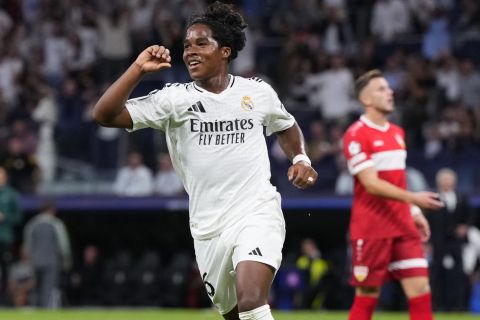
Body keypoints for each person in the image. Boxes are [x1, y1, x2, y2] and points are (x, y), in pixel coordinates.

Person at [92, 2, 318, 319]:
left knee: (253, 300)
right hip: (208, 228)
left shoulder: (257, 93)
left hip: (256, 210)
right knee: (235, 313)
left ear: (225, 51)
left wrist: (301, 157)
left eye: (201, 43)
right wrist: (138, 69)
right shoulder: (173, 99)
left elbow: (285, 124)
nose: (190, 52)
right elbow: (104, 115)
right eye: (186, 45)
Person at [342, 69, 444, 320]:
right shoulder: (356, 134)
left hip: (403, 224)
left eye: (389, 88)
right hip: (372, 227)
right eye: (381, 89)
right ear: (365, 99)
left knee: (421, 289)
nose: (390, 92)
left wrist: (414, 210)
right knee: (368, 294)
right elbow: (372, 184)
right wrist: (415, 199)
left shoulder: (397, 133)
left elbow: (397, 180)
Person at [428, 168, 473, 311]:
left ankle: (458, 306)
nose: (447, 182)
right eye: (444, 180)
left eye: (449, 180)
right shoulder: (432, 197)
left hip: (456, 242)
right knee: (435, 274)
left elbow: (469, 216)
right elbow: (428, 219)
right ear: (439, 182)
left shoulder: (461, 197)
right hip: (437, 241)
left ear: (454, 182)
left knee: (459, 273)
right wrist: (427, 241)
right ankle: (435, 305)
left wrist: (465, 227)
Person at [23, 201, 72, 308]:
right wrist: (67, 261)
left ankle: (36, 308)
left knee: (35, 288)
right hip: (51, 262)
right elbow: (63, 245)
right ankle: (47, 310)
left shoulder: (32, 224)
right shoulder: (56, 224)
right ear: (52, 210)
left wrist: (28, 261)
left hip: (35, 261)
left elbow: (27, 245)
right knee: (49, 288)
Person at [0, 166, 23, 300]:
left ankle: (4, 299)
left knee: (6, 270)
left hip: (5, 238)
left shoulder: (12, 194)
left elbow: (19, 218)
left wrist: (5, 217)